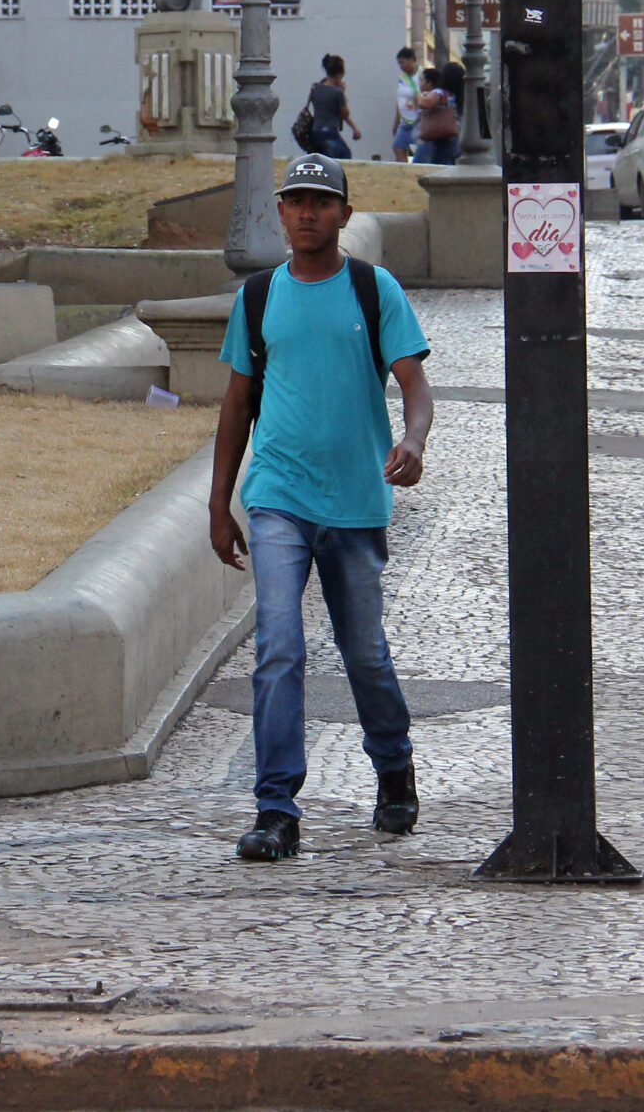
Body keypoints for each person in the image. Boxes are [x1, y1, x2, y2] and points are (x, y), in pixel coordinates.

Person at [208, 154, 434, 862]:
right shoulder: (256, 296)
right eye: (294, 200)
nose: (306, 212)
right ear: (278, 211)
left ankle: (393, 766)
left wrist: (414, 439)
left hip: (356, 501)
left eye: (320, 201)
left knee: (363, 649)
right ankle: (276, 808)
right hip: (278, 494)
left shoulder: (374, 290)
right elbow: (237, 403)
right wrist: (220, 502)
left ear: (343, 212)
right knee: (279, 644)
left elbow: (415, 386)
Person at [303, 54, 360, 159]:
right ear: (340, 74)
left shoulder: (316, 87)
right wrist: (343, 93)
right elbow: (345, 114)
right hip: (330, 132)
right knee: (344, 156)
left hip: (315, 130)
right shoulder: (337, 92)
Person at [412, 66, 462, 165]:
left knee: (437, 165)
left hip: (438, 135)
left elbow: (425, 103)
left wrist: (418, 95)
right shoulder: (458, 94)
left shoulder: (440, 92)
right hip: (454, 134)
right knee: (448, 165)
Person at [390, 48, 422, 161]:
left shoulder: (422, 75)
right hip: (405, 120)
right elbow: (400, 101)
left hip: (418, 119)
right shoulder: (402, 78)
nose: (401, 66)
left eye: (403, 62)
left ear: (412, 60)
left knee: (419, 147)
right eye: (399, 63)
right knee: (398, 146)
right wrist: (396, 121)